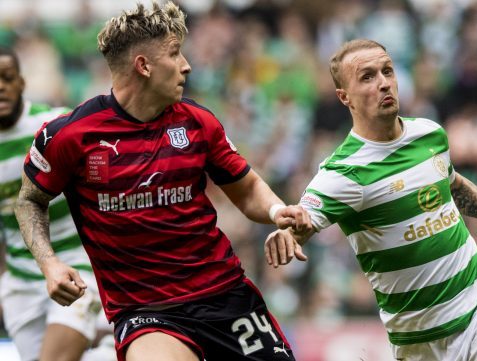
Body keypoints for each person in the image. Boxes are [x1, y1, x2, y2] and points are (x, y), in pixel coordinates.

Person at [14, 2, 311, 361]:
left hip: (224, 294)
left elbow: (246, 188)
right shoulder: (70, 135)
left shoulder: (198, 122)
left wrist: (278, 210)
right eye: (175, 53)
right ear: (144, 65)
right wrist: (50, 263)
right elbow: (30, 199)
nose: (186, 65)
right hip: (145, 312)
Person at [264, 39, 477, 361]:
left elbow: (451, 183)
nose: (384, 83)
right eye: (367, 77)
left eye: (387, 71)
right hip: (418, 339)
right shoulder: (342, 174)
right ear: (344, 97)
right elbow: (305, 218)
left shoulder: (430, 134)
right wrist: (288, 234)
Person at [0, 46, 110, 361]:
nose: (0, 86)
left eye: (7, 78)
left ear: (21, 83)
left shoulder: (52, 128)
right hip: (21, 284)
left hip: (78, 266)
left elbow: (102, 176)